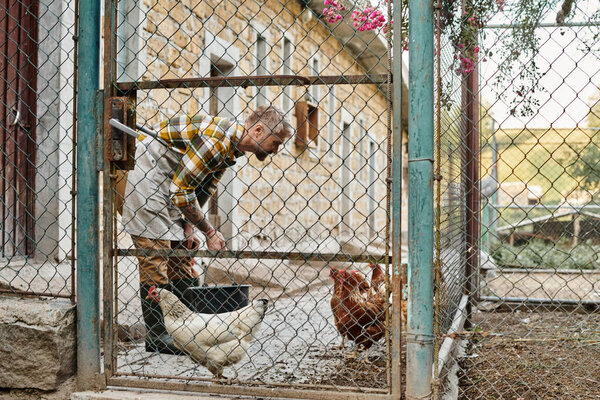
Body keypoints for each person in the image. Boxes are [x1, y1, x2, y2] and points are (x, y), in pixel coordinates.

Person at [121, 105, 292, 353]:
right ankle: (158, 336)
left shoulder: (233, 148)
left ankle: (184, 330)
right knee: (154, 256)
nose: (276, 151)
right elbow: (181, 192)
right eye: (275, 143)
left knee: (182, 253)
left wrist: (189, 227)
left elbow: (204, 187)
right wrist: (209, 231)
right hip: (149, 175)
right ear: (257, 130)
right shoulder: (217, 142)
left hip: (173, 181)